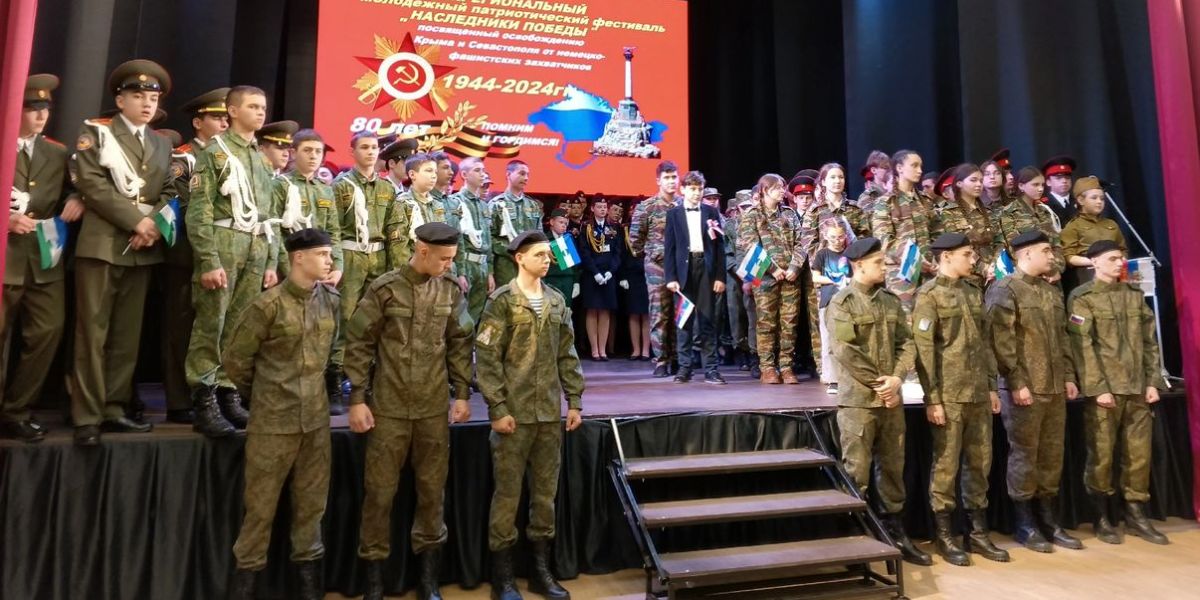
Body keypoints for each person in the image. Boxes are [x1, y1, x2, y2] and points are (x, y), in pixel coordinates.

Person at [345, 222, 473, 600]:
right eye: (444, 258)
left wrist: (462, 393)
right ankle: (373, 581)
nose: (449, 265)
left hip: (433, 409)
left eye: (452, 258)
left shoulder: (450, 291)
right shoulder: (384, 289)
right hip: (389, 409)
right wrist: (357, 398)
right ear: (422, 250)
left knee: (432, 493)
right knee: (379, 494)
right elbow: (359, 343)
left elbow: (460, 343)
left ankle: (428, 581)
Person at [222, 229, 339, 600]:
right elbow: (235, 361)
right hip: (273, 424)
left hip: (315, 423)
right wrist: (264, 395)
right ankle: (244, 588)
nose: (329, 261)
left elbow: (330, 352)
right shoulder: (266, 305)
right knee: (259, 511)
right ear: (298, 258)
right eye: (322, 254)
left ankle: (309, 589)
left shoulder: (331, 301)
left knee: (311, 509)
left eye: (329, 254)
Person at [69, 60, 175, 445]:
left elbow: (170, 190)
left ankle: (114, 409)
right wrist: (136, 221)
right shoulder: (97, 133)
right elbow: (92, 184)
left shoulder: (162, 143)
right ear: (120, 100)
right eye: (138, 96)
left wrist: (154, 226)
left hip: (143, 248)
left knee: (127, 336)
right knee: (92, 334)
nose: (147, 104)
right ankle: (87, 416)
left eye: (153, 98)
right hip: (102, 243)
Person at [476, 230, 584, 600]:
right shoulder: (502, 301)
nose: (547, 260)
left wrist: (575, 400)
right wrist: (497, 407)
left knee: (544, 496)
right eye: (539, 254)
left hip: (548, 415)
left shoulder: (555, 300)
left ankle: (541, 570)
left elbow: (567, 353)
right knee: (507, 495)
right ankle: (503, 577)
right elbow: (487, 357)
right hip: (514, 416)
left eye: (548, 255)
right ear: (519, 258)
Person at [826, 237, 931, 567]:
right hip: (859, 402)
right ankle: (853, 541)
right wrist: (880, 384)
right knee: (855, 472)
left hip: (890, 400)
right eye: (878, 263)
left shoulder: (889, 301)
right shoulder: (842, 303)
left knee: (893, 469)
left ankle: (895, 533)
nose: (885, 267)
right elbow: (846, 351)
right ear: (858, 265)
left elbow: (907, 343)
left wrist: (897, 378)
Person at [185, 85, 277, 438]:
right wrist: (208, 260)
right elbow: (200, 211)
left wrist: (270, 260)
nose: (260, 112)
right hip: (224, 244)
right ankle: (203, 398)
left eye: (263, 107)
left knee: (240, 326)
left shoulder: (259, 158)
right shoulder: (215, 152)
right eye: (252, 106)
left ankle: (228, 392)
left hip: (254, 246)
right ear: (233, 111)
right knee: (212, 323)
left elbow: (268, 214)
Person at [914, 232, 1008, 566]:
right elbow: (924, 351)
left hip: (977, 393)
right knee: (946, 465)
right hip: (949, 395)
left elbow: (984, 343)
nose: (973, 259)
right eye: (967, 254)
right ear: (946, 257)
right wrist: (932, 399)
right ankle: (944, 535)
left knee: (980, 464)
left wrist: (991, 386)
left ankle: (977, 533)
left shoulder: (972, 291)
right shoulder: (929, 295)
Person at [1068, 240, 1169, 546]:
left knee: (1138, 455)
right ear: (1095, 262)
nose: (1119, 263)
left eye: (1121, 258)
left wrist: (1152, 381)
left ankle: (1136, 513)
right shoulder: (1083, 298)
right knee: (1101, 455)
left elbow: (1150, 342)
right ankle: (1101, 515)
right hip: (1106, 390)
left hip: (1137, 387)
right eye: (1112, 259)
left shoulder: (1133, 295)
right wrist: (1097, 388)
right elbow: (1082, 346)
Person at [986, 230, 1081, 553]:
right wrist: (1015, 382)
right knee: (1025, 455)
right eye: (1046, 251)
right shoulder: (1005, 289)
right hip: (1025, 388)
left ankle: (1048, 520)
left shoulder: (1050, 291)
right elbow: (1001, 341)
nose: (1052, 256)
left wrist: (1068, 375)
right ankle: (1025, 523)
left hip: (1052, 387)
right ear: (1026, 254)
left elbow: (1063, 337)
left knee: (1051, 455)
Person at [1, 74, 83, 442]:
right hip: (6, 257)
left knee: (48, 331)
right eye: (32, 107)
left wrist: (76, 198)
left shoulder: (56, 152)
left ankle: (17, 410)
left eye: (45, 108)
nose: (41, 115)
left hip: (44, 257)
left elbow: (72, 187)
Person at [156, 87, 229, 425]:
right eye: (216, 117)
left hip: (223, 255)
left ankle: (212, 394)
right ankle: (179, 399)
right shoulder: (183, 159)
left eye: (226, 118)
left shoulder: (229, 157)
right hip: (186, 254)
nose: (224, 124)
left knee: (215, 328)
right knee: (181, 327)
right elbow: (185, 207)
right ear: (198, 123)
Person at [329, 130, 397, 408]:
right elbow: (333, 227)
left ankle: (364, 381)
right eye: (364, 147)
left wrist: (393, 267)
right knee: (345, 318)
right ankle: (334, 380)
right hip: (350, 254)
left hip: (378, 257)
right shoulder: (340, 186)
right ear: (353, 152)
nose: (370, 152)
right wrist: (336, 262)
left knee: (373, 320)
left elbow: (393, 231)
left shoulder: (387, 189)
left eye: (374, 148)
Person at [738, 174, 804, 384]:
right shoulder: (752, 215)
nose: (782, 191)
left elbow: (802, 242)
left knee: (789, 323)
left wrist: (794, 267)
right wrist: (773, 269)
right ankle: (767, 367)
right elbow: (750, 246)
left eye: (783, 187)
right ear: (765, 190)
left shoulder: (790, 214)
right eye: (777, 188)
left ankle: (786, 366)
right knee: (766, 322)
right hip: (765, 277)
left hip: (790, 277)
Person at [664, 171, 726, 384]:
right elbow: (669, 248)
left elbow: (719, 248)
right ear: (683, 190)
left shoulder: (711, 212)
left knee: (707, 321)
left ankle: (711, 369)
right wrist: (671, 277)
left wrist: (720, 277)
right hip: (684, 272)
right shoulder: (674, 214)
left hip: (705, 270)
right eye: (692, 189)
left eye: (699, 189)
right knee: (684, 321)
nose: (697, 193)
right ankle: (684, 367)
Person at [629, 161, 681, 376]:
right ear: (658, 180)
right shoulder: (647, 207)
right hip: (657, 267)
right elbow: (635, 240)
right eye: (667, 178)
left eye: (674, 177)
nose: (671, 181)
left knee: (679, 313)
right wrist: (653, 253)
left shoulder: (684, 205)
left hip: (681, 267)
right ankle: (661, 360)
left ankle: (678, 358)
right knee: (659, 313)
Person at [872, 150, 937, 316]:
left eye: (920, 166)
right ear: (899, 168)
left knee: (929, 320)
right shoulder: (885, 202)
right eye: (914, 166)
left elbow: (937, 232)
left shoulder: (925, 201)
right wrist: (915, 259)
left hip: (929, 271)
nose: (920, 170)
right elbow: (883, 239)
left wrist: (937, 259)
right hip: (901, 274)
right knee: (905, 322)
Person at [998, 167, 1065, 283]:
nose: (1040, 189)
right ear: (1021, 186)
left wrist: (1056, 269)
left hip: (1051, 275)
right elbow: (1013, 248)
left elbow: (1056, 244)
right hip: (1027, 276)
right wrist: (1037, 269)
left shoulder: (1044, 211)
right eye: (1035, 185)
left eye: (1042, 185)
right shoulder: (1009, 213)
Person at [446, 156, 493, 321]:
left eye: (483, 170)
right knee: (459, 317)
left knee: (476, 316)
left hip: (482, 266)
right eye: (477, 170)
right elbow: (455, 240)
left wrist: (490, 272)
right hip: (466, 264)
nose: (482, 174)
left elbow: (488, 242)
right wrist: (460, 272)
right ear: (464, 175)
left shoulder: (484, 205)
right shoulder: (454, 202)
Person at [938, 163, 1001, 286]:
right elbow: (957, 248)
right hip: (967, 278)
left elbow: (999, 241)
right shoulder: (949, 213)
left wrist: (995, 265)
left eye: (981, 181)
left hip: (993, 275)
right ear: (959, 183)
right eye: (973, 180)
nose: (979, 184)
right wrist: (984, 268)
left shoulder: (988, 212)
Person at [1060, 176, 1126, 291]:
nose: (1099, 202)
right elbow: (1068, 256)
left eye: (1102, 198)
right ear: (1081, 200)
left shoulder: (1111, 224)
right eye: (1094, 198)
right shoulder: (1073, 227)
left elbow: (1123, 249)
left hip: (1115, 277)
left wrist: (1120, 261)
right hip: (1087, 277)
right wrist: (1097, 262)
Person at [578, 195, 623, 361]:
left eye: (605, 207)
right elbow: (584, 252)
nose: (603, 210)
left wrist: (611, 271)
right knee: (592, 310)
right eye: (599, 207)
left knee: (605, 311)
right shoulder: (587, 227)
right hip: (592, 274)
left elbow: (618, 252)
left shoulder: (614, 228)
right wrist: (595, 272)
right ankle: (594, 350)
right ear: (592, 208)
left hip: (608, 274)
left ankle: (603, 350)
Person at [387, 152, 448, 267]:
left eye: (435, 172)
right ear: (412, 174)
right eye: (428, 171)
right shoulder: (403, 203)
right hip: (414, 269)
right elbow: (399, 248)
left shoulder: (437, 205)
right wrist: (407, 273)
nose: (434, 176)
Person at [489, 160, 543, 286]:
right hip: (505, 267)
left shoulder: (533, 205)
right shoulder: (496, 204)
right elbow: (489, 237)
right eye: (522, 173)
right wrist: (511, 250)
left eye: (528, 175)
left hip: (529, 266)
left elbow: (540, 237)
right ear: (508, 174)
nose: (526, 178)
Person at [810, 222, 848, 395]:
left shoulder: (850, 253)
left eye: (840, 237)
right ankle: (832, 379)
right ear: (826, 237)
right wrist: (835, 280)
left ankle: (848, 377)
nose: (837, 241)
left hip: (848, 301)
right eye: (833, 237)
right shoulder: (822, 254)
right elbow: (815, 277)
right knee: (828, 342)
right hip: (828, 301)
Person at [617, 204, 651, 361]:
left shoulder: (652, 227)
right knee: (633, 313)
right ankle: (636, 349)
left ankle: (646, 350)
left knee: (647, 314)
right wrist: (623, 275)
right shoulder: (625, 230)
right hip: (631, 276)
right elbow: (621, 254)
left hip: (649, 274)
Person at [544, 208, 581, 303]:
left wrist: (576, 282)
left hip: (567, 280)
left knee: (566, 308)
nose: (564, 225)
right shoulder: (545, 239)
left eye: (566, 223)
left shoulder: (568, 239)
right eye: (561, 222)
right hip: (551, 280)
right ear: (552, 222)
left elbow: (574, 265)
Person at [1040, 155, 1076, 228]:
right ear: (1048, 182)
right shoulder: (1042, 205)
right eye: (1058, 178)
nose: (1064, 181)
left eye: (1067, 177)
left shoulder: (1078, 202)